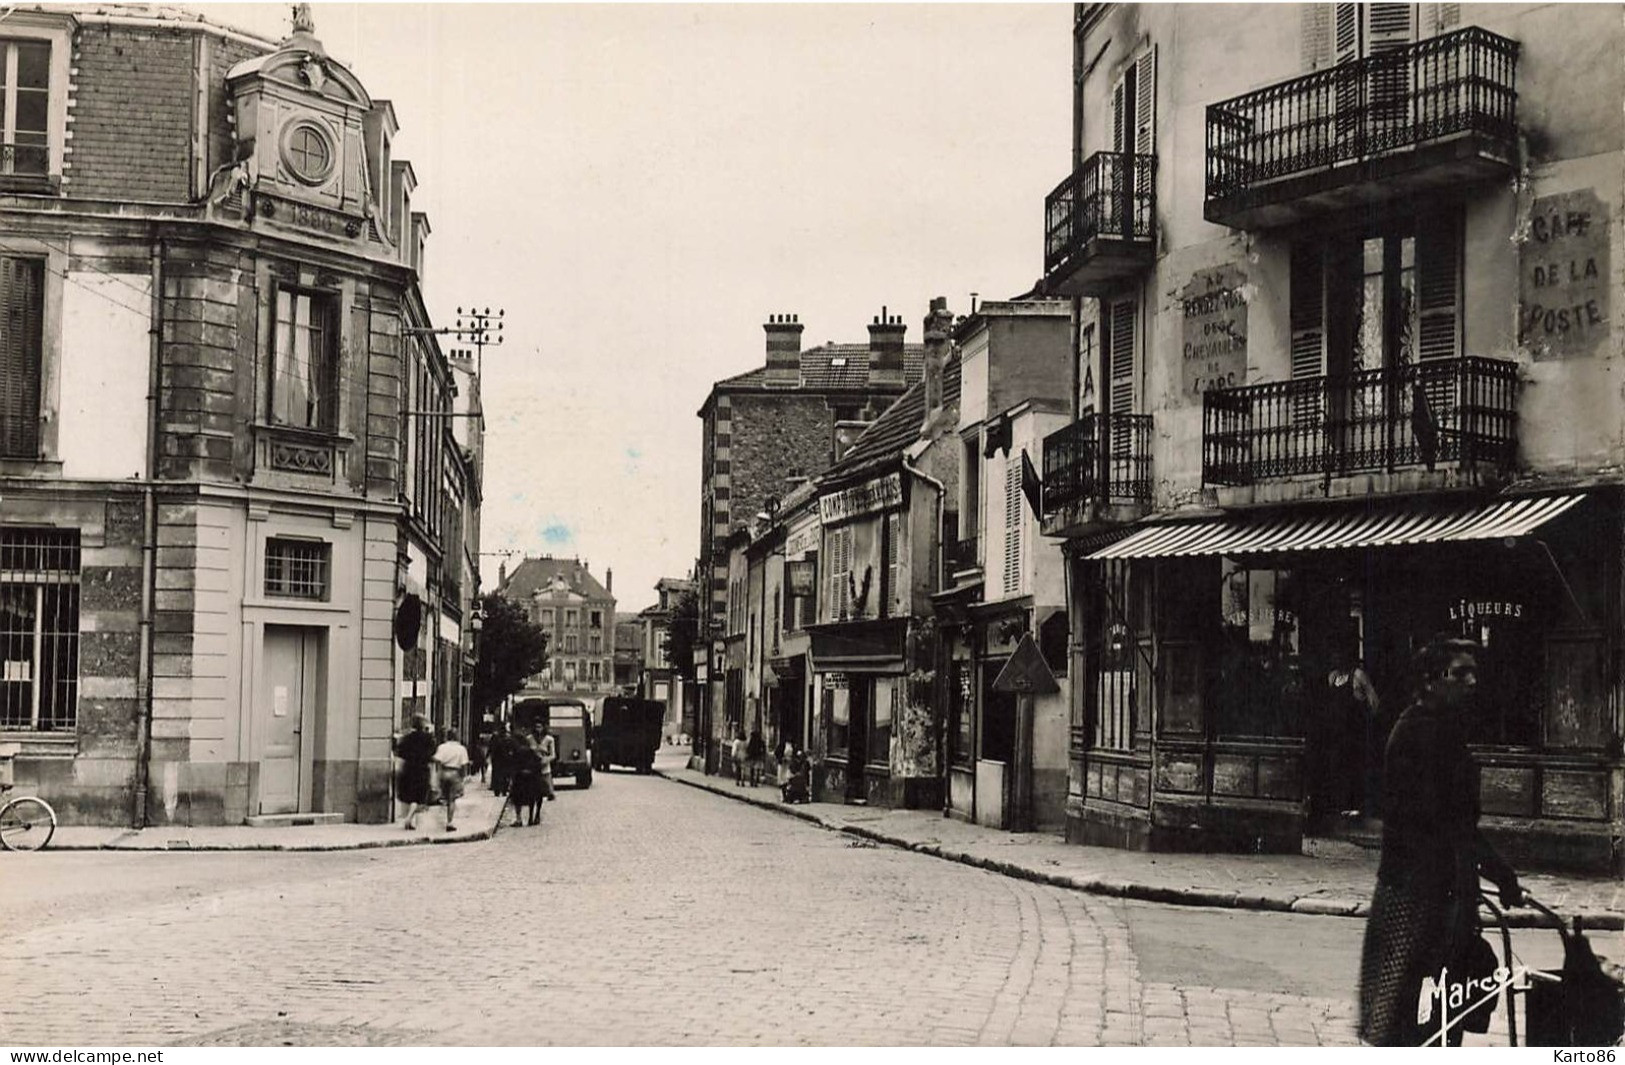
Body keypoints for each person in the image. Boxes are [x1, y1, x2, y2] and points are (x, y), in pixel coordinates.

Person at [1357, 636, 1523, 1047]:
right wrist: (1501, 873)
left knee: (1435, 1006)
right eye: (1460, 673)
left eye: (1474, 673)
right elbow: (1448, 822)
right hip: (1418, 892)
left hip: (1434, 885)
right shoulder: (1422, 733)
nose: (1471, 681)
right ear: (1431, 680)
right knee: (1414, 1009)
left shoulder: (1440, 727)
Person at [392, 713, 437, 831]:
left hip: (408, 769)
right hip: (422, 770)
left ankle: (411, 820)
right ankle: (409, 818)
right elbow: (432, 753)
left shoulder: (406, 738)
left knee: (410, 796)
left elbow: (400, 753)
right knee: (418, 797)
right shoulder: (427, 738)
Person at [433, 732, 470, 832]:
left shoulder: (442, 747)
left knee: (443, 798)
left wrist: (438, 772)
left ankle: (440, 820)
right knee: (452, 800)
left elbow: (437, 760)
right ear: (457, 737)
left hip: (444, 772)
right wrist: (463, 777)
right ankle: (449, 822)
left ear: (447, 737)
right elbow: (464, 764)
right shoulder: (461, 749)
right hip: (455, 773)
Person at [507, 727, 544, 827]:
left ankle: (519, 819)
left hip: (520, 778)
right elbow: (538, 764)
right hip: (532, 777)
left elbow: (513, 766)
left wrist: (512, 777)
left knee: (517, 798)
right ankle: (532, 817)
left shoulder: (516, 752)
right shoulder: (531, 752)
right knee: (533, 797)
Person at [489, 724, 514, 797]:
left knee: (498, 775)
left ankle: (498, 790)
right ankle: (503, 791)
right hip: (505, 760)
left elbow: (492, 748)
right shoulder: (508, 739)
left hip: (498, 760)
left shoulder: (496, 738)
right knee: (505, 776)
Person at [537, 724, 558, 802]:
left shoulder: (549, 739)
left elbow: (553, 754)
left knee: (546, 776)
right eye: (536, 727)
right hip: (534, 765)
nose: (538, 729)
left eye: (539, 727)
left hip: (544, 763)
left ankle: (550, 793)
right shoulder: (530, 738)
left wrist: (546, 760)